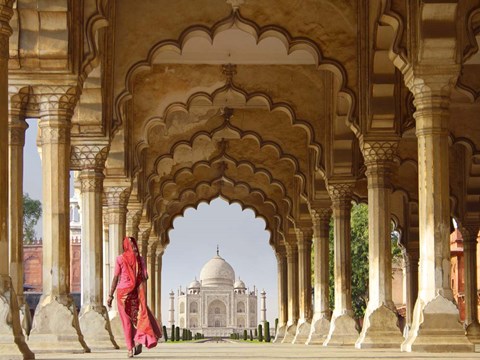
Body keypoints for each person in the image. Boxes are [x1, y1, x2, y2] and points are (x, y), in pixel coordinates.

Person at [107, 236, 162, 358]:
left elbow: (116, 277)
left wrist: (110, 295)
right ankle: (139, 339)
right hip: (136, 294)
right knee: (139, 319)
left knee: (126, 322)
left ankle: (130, 349)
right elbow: (145, 277)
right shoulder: (140, 259)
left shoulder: (120, 259)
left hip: (123, 295)